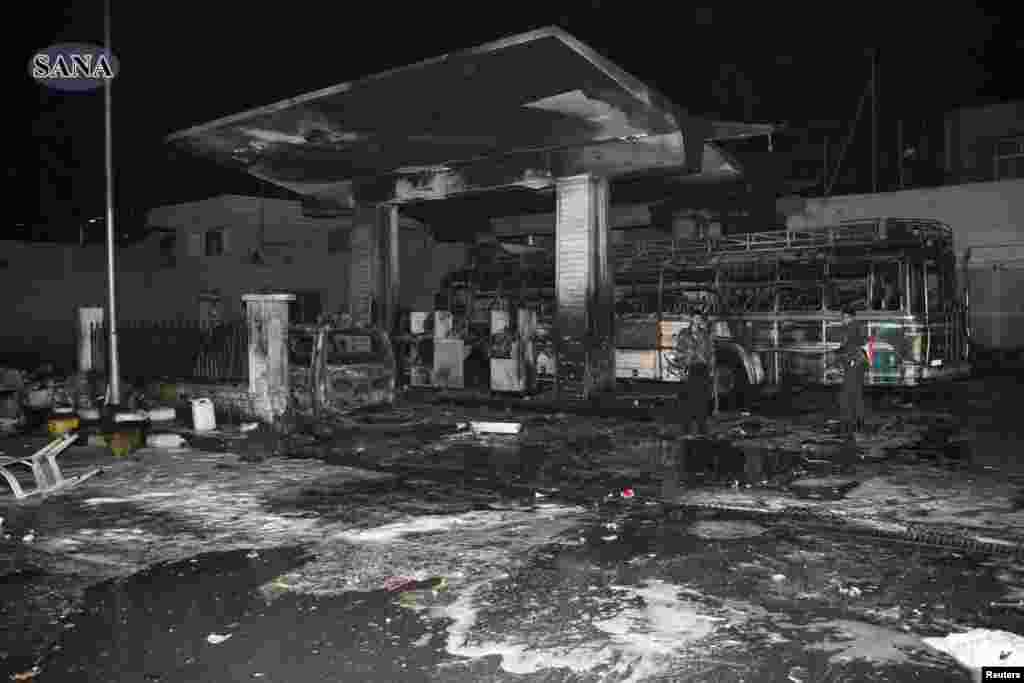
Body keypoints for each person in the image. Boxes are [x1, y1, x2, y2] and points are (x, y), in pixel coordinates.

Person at [670, 314, 715, 436]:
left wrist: (711, 369)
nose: (697, 320)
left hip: (702, 369)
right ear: (691, 319)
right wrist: (680, 368)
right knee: (688, 401)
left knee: (702, 400)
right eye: (695, 318)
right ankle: (686, 431)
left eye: (699, 318)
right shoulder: (684, 334)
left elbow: (710, 352)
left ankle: (702, 430)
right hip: (689, 369)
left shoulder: (705, 334)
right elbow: (679, 351)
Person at [837, 309, 869, 436]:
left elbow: (846, 346)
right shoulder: (858, 327)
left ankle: (848, 422)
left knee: (847, 393)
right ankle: (859, 421)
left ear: (849, 317)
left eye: (843, 317)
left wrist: (837, 352)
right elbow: (860, 342)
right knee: (856, 393)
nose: (842, 320)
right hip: (859, 363)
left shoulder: (850, 328)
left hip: (853, 363)